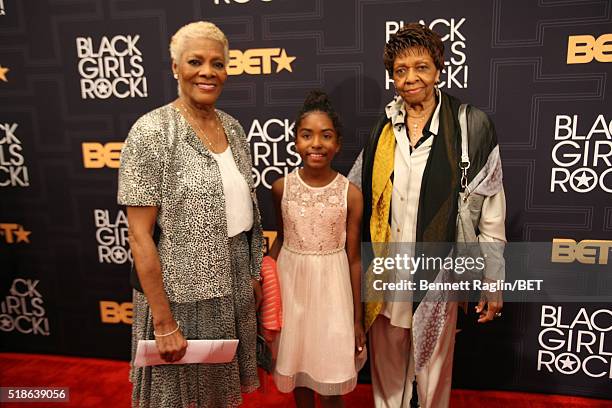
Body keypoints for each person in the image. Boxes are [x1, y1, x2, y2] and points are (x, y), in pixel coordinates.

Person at [348, 23, 506, 408]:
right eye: (400, 71)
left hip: (439, 271)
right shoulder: (382, 130)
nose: (410, 78)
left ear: (438, 69)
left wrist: (493, 279)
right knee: (387, 372)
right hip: (385, 270)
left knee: (434, 372)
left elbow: (491, 213)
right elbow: (354, 194)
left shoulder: (472, 126)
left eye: (420, 67)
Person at [117, 21, 263, 408]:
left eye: (218, 63)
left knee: (220, 394)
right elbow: (139, 236)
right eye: (195, 61)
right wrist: (164, 323)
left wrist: (250, 275)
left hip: (232, 281)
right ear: (175, 68)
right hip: (181, 293)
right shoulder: (151, 132)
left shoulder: (232, 128)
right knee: (177, 397)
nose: (207, 71)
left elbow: (242, 215)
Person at [268, 90, 367, 408]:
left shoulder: (350, 194)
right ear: (296, 140)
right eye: (307, 135)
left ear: (337, 143)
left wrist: (356, 319)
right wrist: (265, 284)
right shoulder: (281, 188)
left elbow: (353, 259)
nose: (316, 144)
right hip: (292, 290)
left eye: (326, 136)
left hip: (332, 294)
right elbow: (281, 240)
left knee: (331, 376)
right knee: (297, 369)